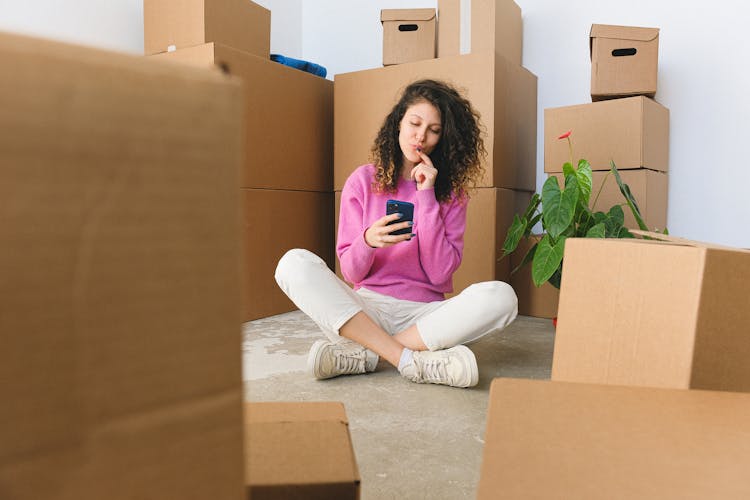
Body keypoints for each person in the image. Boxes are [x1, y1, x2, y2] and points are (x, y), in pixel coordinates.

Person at [275, 79, 517, 388]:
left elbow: (440, 272)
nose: (422, 136)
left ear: (444, 138)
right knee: (293, 263)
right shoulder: (362, 181)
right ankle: (406, 360)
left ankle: (368, 354)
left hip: (425, 316)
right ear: (398, 122)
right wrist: (367, 242)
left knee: (502, 297)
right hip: (364, 310)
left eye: (434, 130)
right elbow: (351, 271)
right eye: (415, 123)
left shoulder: (452, 194)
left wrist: (427, 195)